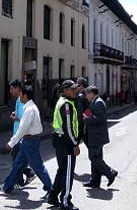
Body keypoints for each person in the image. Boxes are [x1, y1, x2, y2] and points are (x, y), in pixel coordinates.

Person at [0, 87, 54, 196]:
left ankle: (50, 189)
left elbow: (22, 129)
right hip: (29, 140)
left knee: (37, 166)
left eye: (21, 94)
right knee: (17, 165)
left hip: (30, 140)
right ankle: (7, 187)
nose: (19, 96)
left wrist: (10, 144)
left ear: (25, 95)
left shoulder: (29, 110)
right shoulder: (30, 107)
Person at [47, 80, 81, 210]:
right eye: (72, 89)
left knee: (62, 171)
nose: (75, 91)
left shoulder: (64, 102)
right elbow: (67, 127)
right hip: (65, 142)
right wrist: (74, 144)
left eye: (75, 89)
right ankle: (65, 201)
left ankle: (53, 196)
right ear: (65, 90)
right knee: (67, 173)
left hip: (60, 140)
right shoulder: (66, 104)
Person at [82, 86, 118, 188]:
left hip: (96, 135)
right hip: (95, 135)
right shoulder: (96, 102)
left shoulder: (98, 103)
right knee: (96, 158)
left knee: (93, 157)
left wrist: (86, 118)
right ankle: (95, 181)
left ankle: (110, 173)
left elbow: (99, 119)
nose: (86, 97)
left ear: (91, 94)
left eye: (87, 94)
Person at [8, 79, 36, 188]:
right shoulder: (20, 99)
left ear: (17, 88)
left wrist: (15, 118)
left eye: (11, 89)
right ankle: (26, 174)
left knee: (16, 158)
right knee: (18, 157)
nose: (10, 91)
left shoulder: (22, 99)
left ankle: (20, 180)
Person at [75, 77, 89, 145]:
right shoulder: (87, 94)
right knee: (89, 145)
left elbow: (80, 112)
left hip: (81, 125)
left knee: (72, 146)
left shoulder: (80, 96)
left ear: (81, 86)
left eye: (77, 85)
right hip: (86, 123)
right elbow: (88, 110)